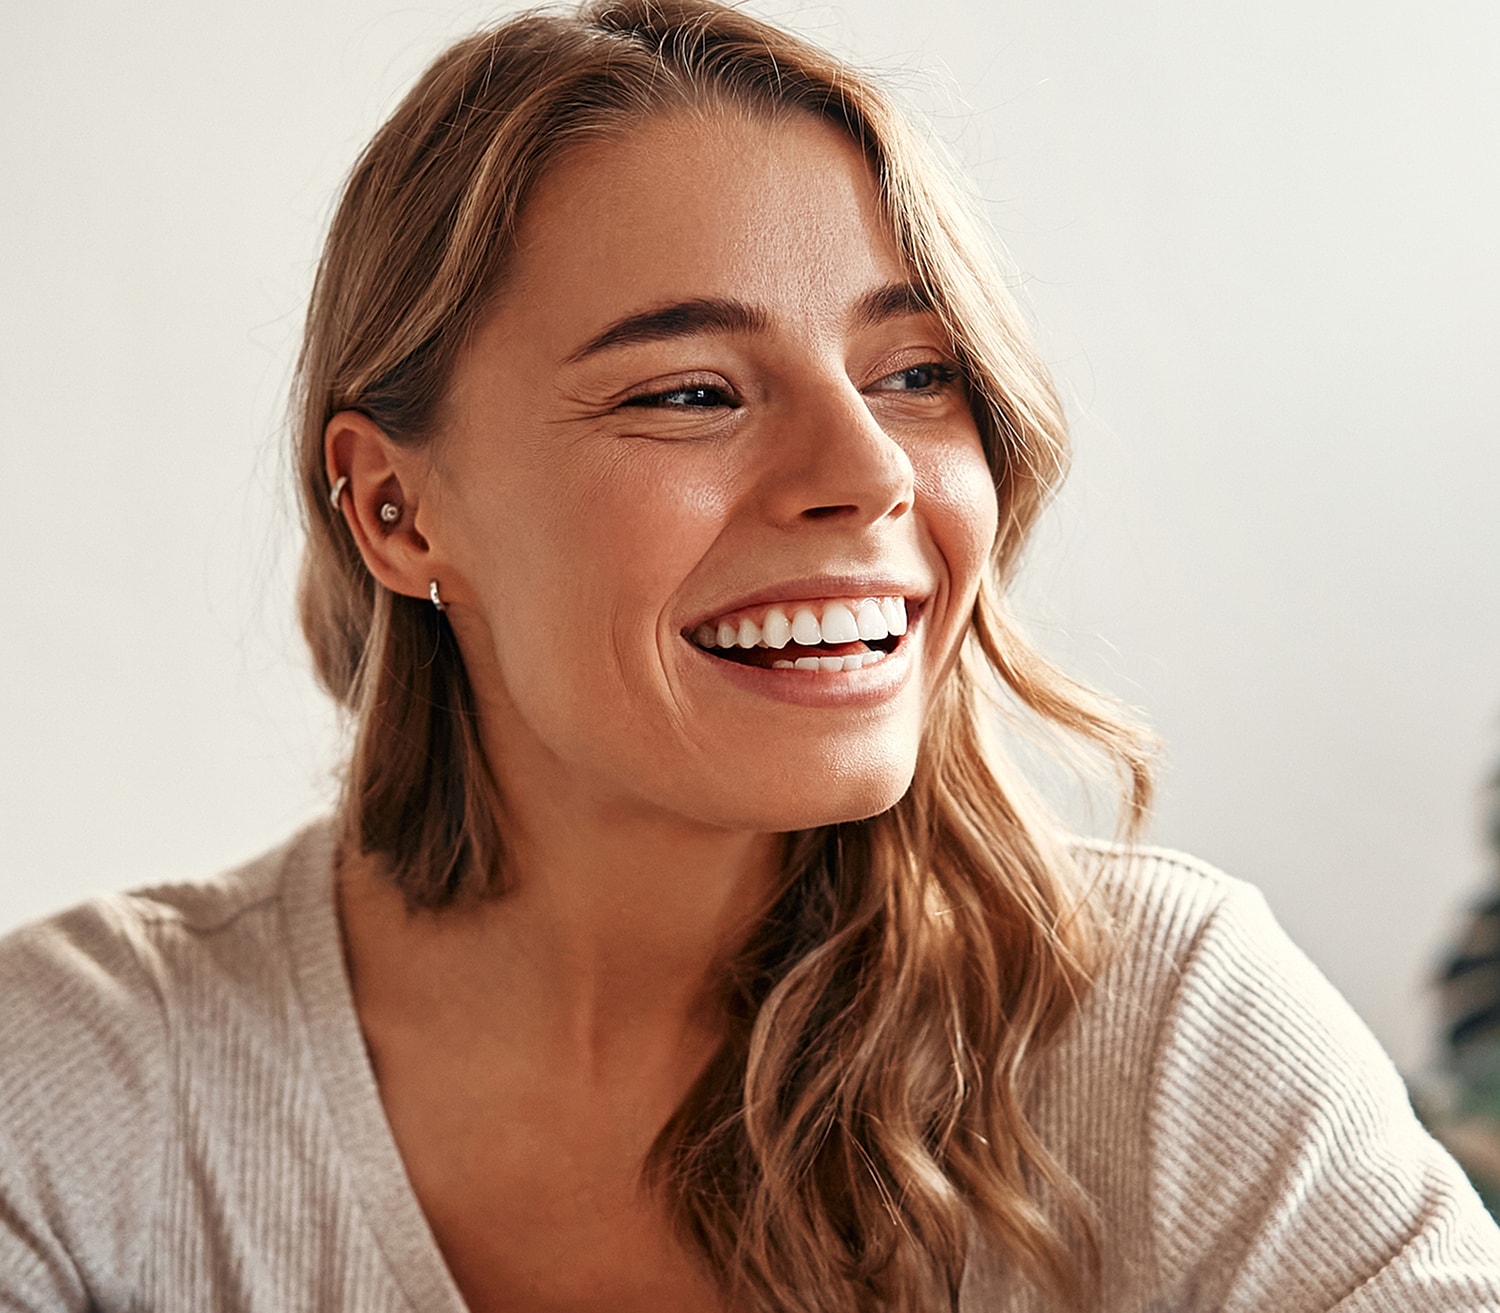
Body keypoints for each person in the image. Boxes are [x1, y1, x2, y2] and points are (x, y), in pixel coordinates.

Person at [2, 1, 1498, 1309]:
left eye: (916, 372)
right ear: (396, 510)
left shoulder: (1166, 1030)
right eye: (693, 391)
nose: (867, 472)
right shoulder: (87, 1090)